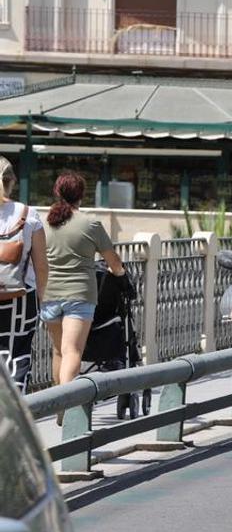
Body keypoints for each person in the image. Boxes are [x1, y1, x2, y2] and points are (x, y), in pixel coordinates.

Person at [42, 174, 126, 396]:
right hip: (79, 296)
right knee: (73, 352)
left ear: (57, 193)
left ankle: (56, 400)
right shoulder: (90, 224)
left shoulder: (45, 223)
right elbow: (113, 262)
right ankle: (66, 407)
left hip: (49, 294)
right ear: (81, 195)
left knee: (59, 351)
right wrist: (119, 273)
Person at [0, 158, 48, 394]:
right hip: (21, 299)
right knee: (18, 356)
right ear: (12, 182)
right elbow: (41, 265)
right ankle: (14, 416)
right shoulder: (28, 214)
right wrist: (44, 299)